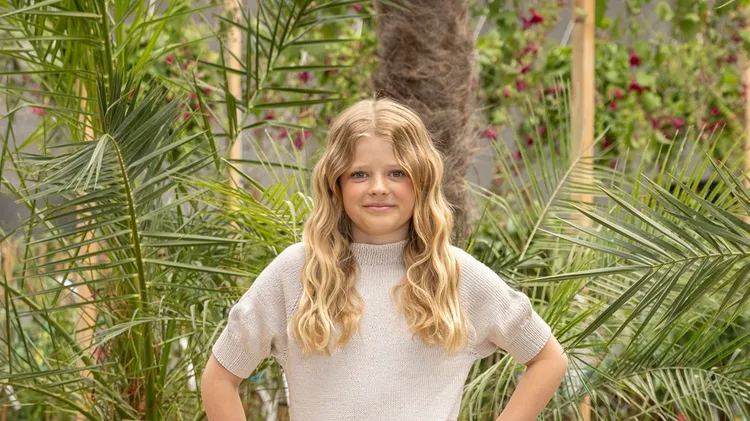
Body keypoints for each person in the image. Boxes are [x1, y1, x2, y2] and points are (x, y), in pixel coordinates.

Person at [201, 97, 568, 421]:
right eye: (360, 174)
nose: (378, 187)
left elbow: (548, 359)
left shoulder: (456, 275)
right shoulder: (298, 271)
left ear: (422, 180)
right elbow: (219, 377)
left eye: (397, 173)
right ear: (336, 183)